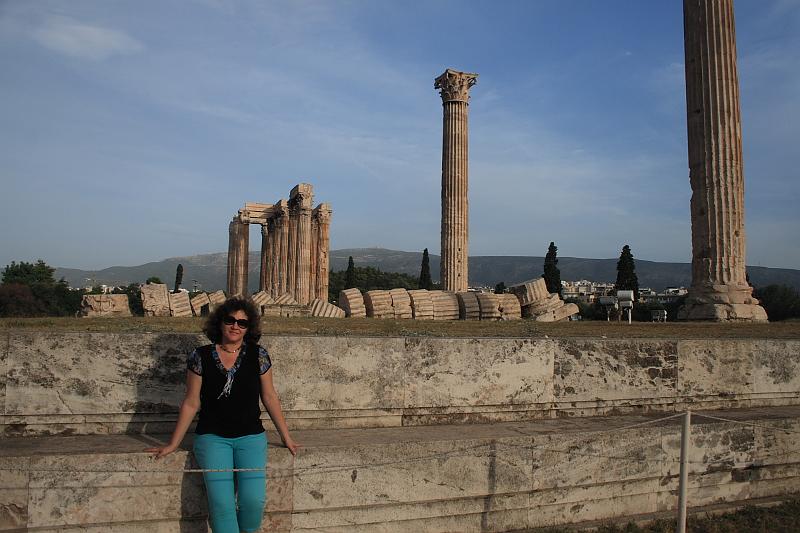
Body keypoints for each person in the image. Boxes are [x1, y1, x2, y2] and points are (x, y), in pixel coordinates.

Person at [147, 297, 299, 533]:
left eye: (242, 322)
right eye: (230, 320)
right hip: (212, 438)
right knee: (221, 504)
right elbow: (191, 401)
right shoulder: (201, 356)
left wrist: (286, 437)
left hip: (250, 437)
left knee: (253, 501)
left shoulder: (258, 356)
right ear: (219, 323)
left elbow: (269, 397)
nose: (236, 326)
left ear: (249, 328)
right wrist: (173, 444)